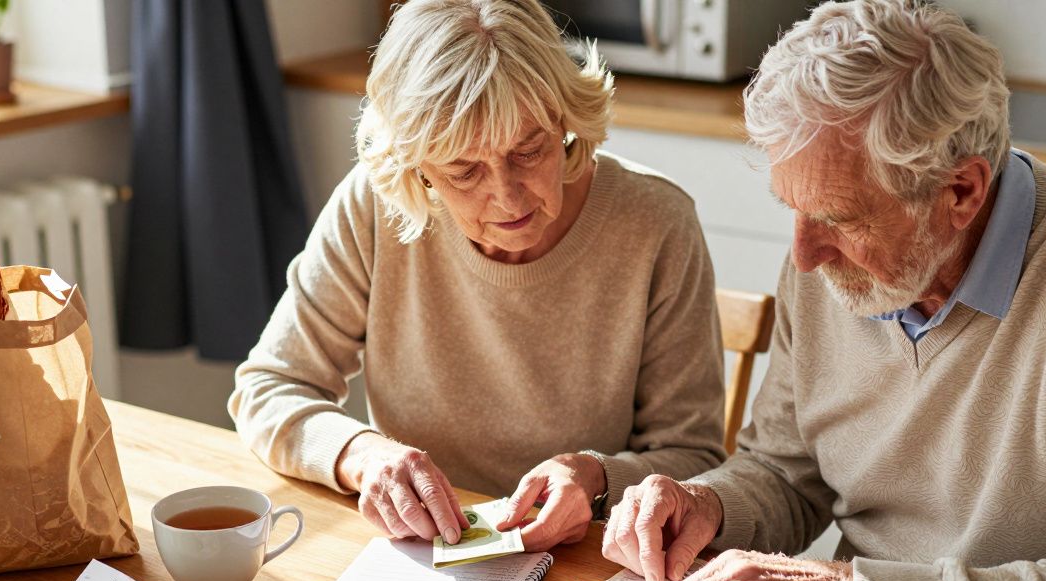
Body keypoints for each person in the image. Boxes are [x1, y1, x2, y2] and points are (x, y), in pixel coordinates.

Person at [602, 0, 1046, 581]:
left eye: (838, 217)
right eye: (793, 210)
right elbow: (786, 470)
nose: (804, 255)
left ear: (961, 190)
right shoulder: (830, 265)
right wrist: (709, 505)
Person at [229, 0, 725, 552]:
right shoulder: (374, 207)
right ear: (416, 167)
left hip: (591, 560)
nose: (507, 196)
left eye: (530, 150)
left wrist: (596, 477)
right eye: (464, 171)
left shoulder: (656, 222)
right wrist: (365, 456)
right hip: (419, 553)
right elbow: (270, 389)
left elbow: (695, 458)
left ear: (565, 119)